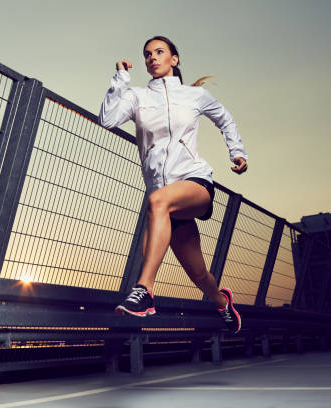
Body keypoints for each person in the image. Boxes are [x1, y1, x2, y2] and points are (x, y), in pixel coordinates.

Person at [98, 36, 247, 334]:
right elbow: (107, 120)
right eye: (147, 54)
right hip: (163, 201)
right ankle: (222, 302)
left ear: (174, 59)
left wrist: (237, 151)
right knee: (198, 273)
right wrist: (120, 79)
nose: (152, 58)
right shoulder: (137, 96)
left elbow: (225, 120)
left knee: (157, 202)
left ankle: (145, 291)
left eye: (159, 52)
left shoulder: (194, 95)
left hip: (194, 182)